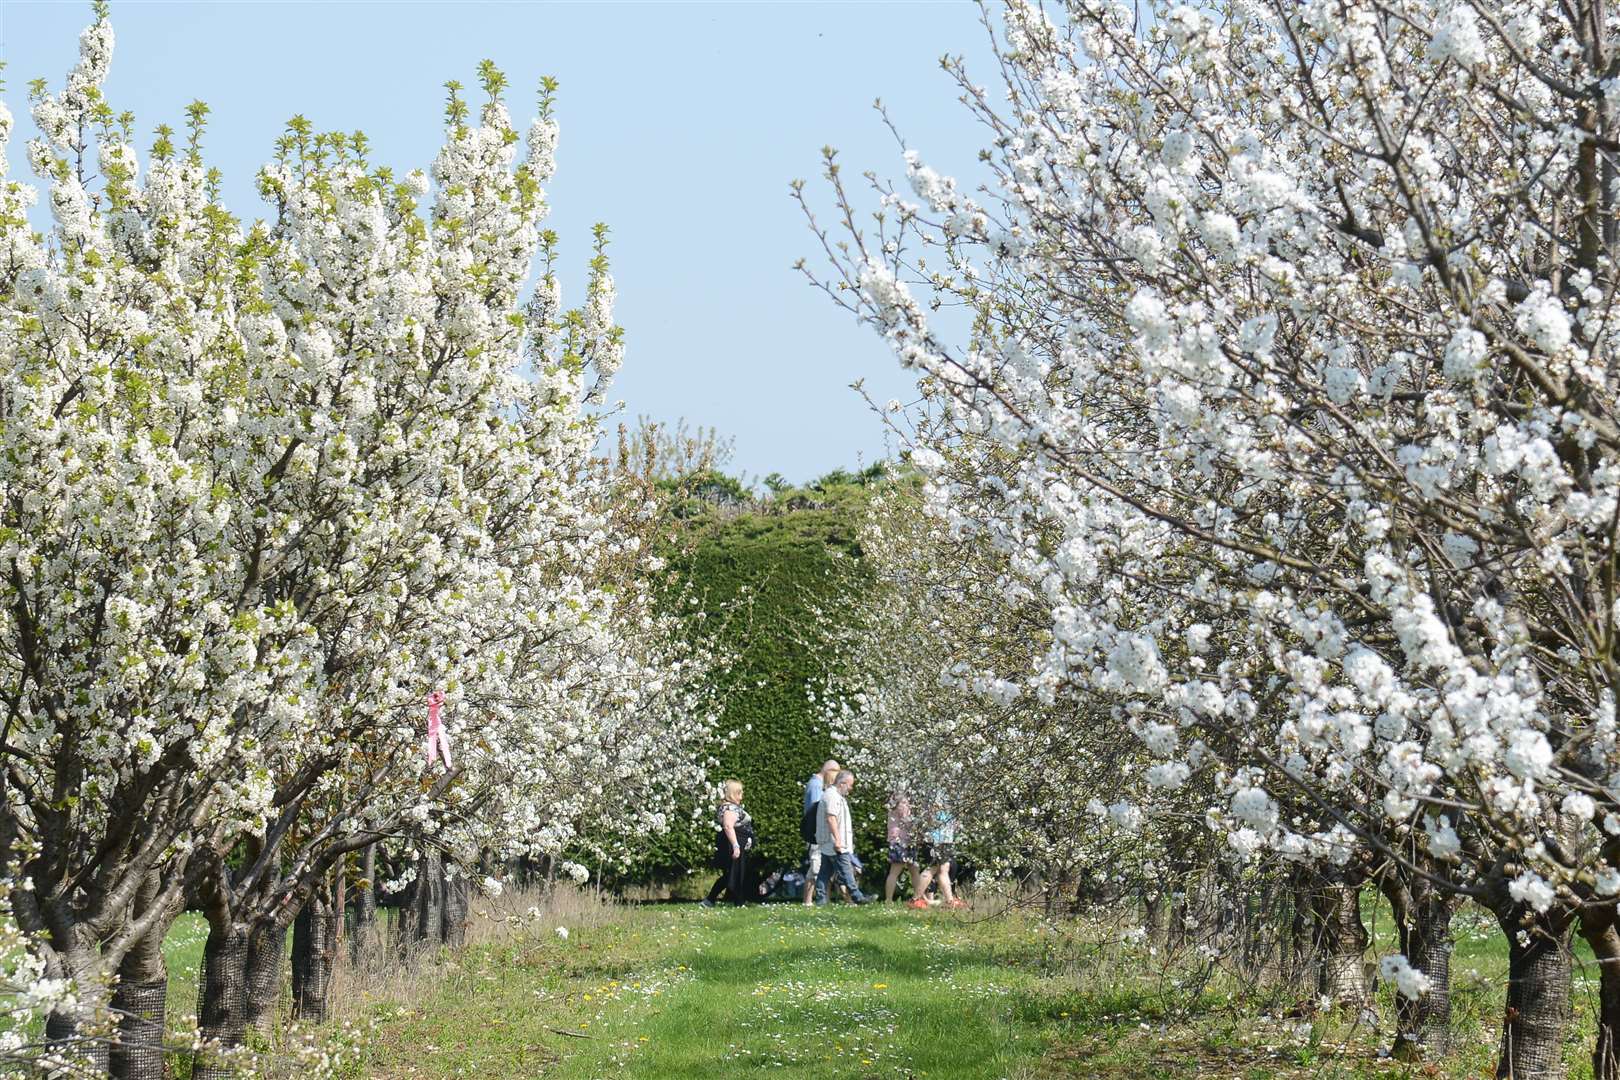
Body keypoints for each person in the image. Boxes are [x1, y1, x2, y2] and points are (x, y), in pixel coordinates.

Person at [814, 770, 870, 905]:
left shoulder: (834, 795)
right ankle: (857, 896)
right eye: (850, 785)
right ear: (842, 783)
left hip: (831, 842)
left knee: (825, 872)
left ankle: (821, 900)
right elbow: (831, 818)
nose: (850, 789)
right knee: (846, 870)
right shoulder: (832, 796)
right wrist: (838, 840)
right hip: (834, 842)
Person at [702, 779, 756, 907]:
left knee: (736, 874)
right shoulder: (729, 808)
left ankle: (738, 901)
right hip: (734, 845)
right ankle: (711, 900)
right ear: (732, 794)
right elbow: (728, 826)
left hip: (739, 844)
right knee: (732, 874)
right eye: (739, 794)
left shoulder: (731, 807)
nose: (741, 797)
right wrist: (736, 846)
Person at [800, 759, 840, 908]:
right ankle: (809, 901)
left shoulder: (816, 784)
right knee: (816, 867)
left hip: (820, 834)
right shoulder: (816, 785)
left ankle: (822, 900)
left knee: (821, 868)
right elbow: (817, 811)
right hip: (818, 835)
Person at [912, 797, 965, 910]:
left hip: (944, 838)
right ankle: (915, 899)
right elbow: (930, 813)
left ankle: (950, 901)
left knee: (943, 868)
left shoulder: (951, 793)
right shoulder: (937, 790)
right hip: (935, 838)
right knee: (932, 868)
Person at [884, 787, 922, 903]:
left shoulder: (894, 808)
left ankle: (918, 898)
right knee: (895, 872)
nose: (907, 804)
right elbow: (907, 819)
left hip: (908, 842)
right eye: (904, 802)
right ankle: (889, 900)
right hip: (899, 842)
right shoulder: (899, 809)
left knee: (914, 870)